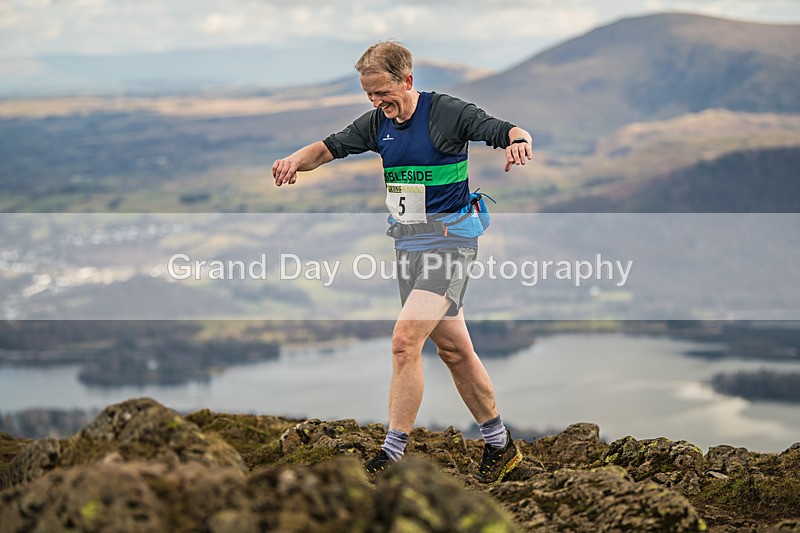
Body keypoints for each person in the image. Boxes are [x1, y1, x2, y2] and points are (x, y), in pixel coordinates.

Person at [272, 41, 532, 484]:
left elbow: (505, 129)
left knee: (404, 341)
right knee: (454, 350)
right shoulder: (378, 123)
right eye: (368, 95)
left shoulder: (446, 113)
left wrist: (519, 143)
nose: (376, 102)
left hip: (451, 245)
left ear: (407, 80)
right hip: (408, 248)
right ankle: (500, 444)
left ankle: (391, 454)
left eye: (382, 93)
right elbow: (328, 147)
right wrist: (294, 160)